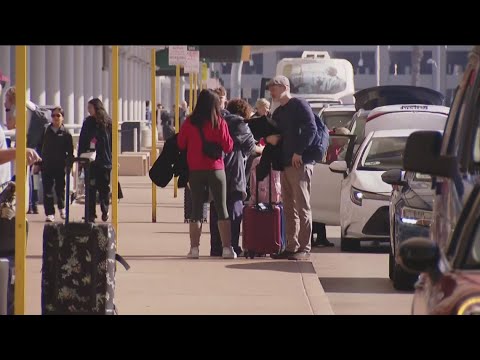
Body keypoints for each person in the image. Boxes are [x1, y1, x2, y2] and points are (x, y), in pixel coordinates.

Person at [177, 89, 235, 259]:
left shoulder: (189, 122)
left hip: (195, 170)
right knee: (222, 208)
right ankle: (226, 248)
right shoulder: (219, 122)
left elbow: (181, 143)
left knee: (196, 209)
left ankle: (194, 249)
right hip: (216, 169)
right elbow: (228, 146)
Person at [266, 76, 317, 261]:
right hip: (285, 164)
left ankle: (305, 247)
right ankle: (291, 246)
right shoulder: (278, 112)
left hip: (299, 163)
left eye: (274, 87)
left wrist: (299, 152)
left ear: (285, 87)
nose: (271, 91)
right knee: (288, 207)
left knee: (302, 206)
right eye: (270, 88)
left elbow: (311, 129)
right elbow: (279, 135)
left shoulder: (299, 105)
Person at [209, 98, 263, 256]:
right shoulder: (240, 124)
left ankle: (216, 247)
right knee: (234, 210)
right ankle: (232, 246)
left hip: (216, 169)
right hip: (234, 173)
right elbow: (251, 148)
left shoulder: (217, 121)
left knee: (216, 209)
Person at [36, 106, 74, 222]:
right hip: (47, 165)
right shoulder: (46, 130)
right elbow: (39, 147)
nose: (55, 118)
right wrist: (38, 163)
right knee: (47, 190)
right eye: (53, 115)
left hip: (60, 166)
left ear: (62, 117)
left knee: (59, 189)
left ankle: (62, 208)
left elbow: (70, 152)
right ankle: (49, 213)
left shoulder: (66, 133)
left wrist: (70, 166)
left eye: (58, 115)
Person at [78, 98, 112, 223]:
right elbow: (82, 140)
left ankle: (105, 210)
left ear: (97, 108)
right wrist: (81, 159)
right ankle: (90, 214)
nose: (88, 110)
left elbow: (112, 142)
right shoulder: (87, 122)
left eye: (90, 107)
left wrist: (113, 159)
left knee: (104, 188)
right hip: (90, 161)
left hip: (104, 161)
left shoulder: (108, 122)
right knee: (90, 188)